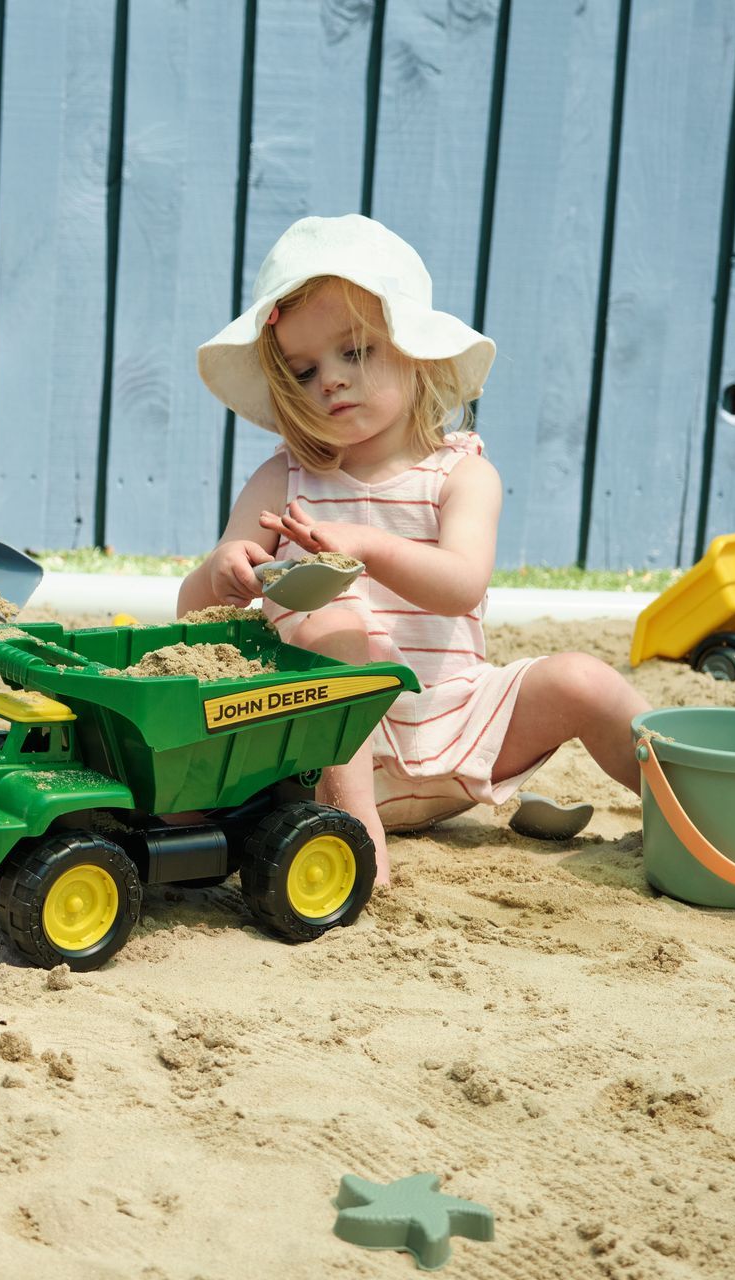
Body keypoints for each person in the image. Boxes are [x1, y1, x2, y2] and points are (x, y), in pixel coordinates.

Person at [178, 214, 647, 882]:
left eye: (356, 353)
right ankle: (355, 835)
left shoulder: (460, 475)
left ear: (415, 352)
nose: (331, 381)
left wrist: (368, 545)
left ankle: (692, 801)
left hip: (459, 727)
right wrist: (221, 571)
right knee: (337, 622)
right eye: (304, 370)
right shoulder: (284, 478)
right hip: (324, 756)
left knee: (582, 680)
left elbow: (461, 584)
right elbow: (195, 608)